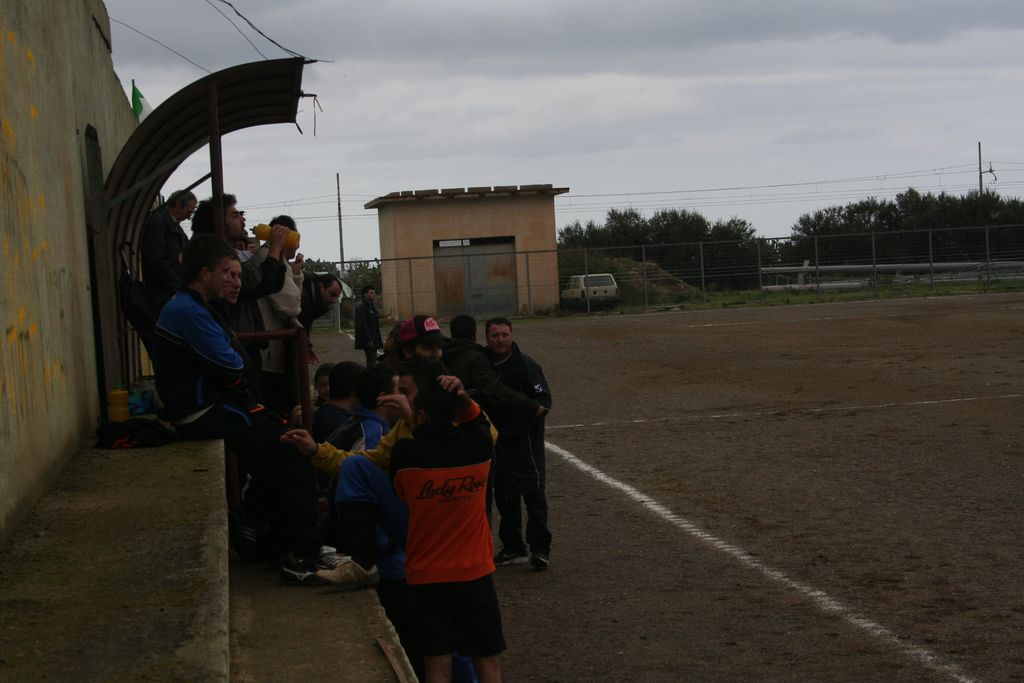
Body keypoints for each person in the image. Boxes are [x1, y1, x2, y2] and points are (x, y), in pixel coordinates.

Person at [152, 233, 339, 585]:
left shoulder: (199, 306)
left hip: (213, 404)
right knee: (292, 450)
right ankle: (302, 554)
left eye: (237, 274)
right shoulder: (187, 310)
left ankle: (266, 536)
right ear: (205, 273)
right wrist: (238, 368)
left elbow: (235, 366)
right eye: (228, 273)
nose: (236, 281)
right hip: (201, 411)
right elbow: (234, 367)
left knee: (281, 442)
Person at [390, 377, 505, 683]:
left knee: (437, 662)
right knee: (488, 658)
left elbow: (401, 494)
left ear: (421, 415)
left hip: (425, 573)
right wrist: (463, 398)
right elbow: (479, 422)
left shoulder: (404, 454)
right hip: (473, 571)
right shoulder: (479, 447)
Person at [485, 316, 553, 570]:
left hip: (525, 442)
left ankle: (540, 549)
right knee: (504, 495)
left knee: (533, 493)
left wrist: (520, 424)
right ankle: (514, 546)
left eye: (504, 335)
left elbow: (543, 402)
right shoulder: (483, 365)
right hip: (497, 442)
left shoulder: (526, 365)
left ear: (511, 336)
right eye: (495, 335)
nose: (500, 340)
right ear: (487, 337)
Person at [257, 215, 304, 413]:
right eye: (295, 238)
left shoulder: (278, 259)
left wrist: (295, 274)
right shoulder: (268, 258)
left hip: (269, 353)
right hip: (266, 355)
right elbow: (291, 306)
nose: (297, 245)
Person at [141, 189, 197, 318]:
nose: (189, 217)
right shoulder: (158, 223)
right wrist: (179, 286)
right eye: (188, 212)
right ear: (178, 204)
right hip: (163, 294)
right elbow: (157, 261)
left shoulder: (174, 226)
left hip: (170, 292)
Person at [299, 274, 344, 364]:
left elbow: (304, 324)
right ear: (321, 286)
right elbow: (300, 323)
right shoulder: (304, 296)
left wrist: (308, 346)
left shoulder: (314, 300)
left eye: (336, 297)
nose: (334, 300)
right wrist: (307, 346)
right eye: (332, 294)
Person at [353, 285, 384, 367]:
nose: (374, 295)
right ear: (365, 294)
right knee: (371, 362)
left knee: (373, 360)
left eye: (374, 293)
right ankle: (370, 374)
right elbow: (362, 325)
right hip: (369, 340)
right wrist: (368, 339)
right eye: (371, 293)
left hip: (374, 338)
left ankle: (371, 373)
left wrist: (385, 317)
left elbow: (376, 317)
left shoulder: (371, 306)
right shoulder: (361, 307)